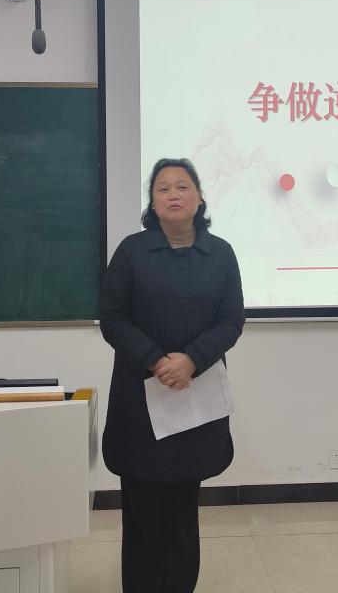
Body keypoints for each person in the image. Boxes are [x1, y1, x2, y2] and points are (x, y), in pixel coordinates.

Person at [100, 157, 245, 593]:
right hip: (140, 401)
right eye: (163, 188)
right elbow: (113, 318)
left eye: (183, 186)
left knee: (183, 508)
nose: (173, 194)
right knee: (141, 507)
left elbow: (231, 320)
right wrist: (157, 361)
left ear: (199, 198)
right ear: (153, 202)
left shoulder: (220, 253)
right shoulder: (132, 251)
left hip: (196, 398)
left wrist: (191, 360)